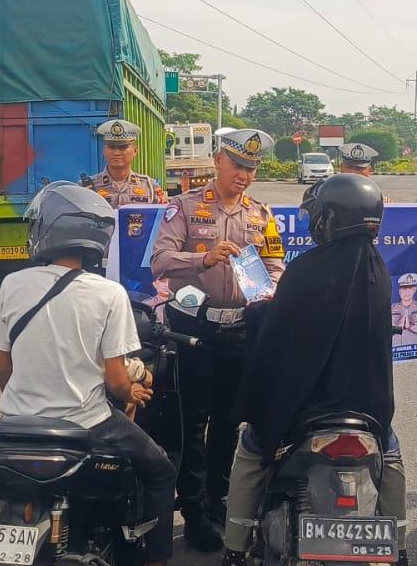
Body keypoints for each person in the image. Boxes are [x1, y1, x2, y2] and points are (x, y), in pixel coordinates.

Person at [0, 183, 178, 566]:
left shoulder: (13, 284)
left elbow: (3, 367)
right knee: (160, 470)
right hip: (85, 423)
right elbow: (117, 382)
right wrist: (130, 395)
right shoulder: (108, 293)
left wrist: (27, 402)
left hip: (17, 420)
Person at [222, 174, 408, 566]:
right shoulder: (379, 271)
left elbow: (278, 335)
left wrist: (258, 313)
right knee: (389, 453)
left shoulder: (306, 270)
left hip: (303, 407)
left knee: (252, 449)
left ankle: (235, 547)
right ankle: (401, 543)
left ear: (329, 220)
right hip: (366, 407)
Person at [150, 127, 285, 550]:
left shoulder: (262, 215)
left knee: (230, 421)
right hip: (195, 328)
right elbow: (160, 262)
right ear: (218, 161)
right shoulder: (184, 208)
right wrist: (203, 257)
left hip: (241, 329)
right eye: (238, 165)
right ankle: (192, 511)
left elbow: (275, 263)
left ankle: (218, 500)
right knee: (194, 423)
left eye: (252, 168)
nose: (244, 175)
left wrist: (272, 288)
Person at [88, 118, 168, 207]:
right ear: (104, 150)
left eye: (123, 147)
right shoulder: (88, 187)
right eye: (111, 147)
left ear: (135, 151)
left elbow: (163, 217)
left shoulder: (150, 187)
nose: (116, 153)